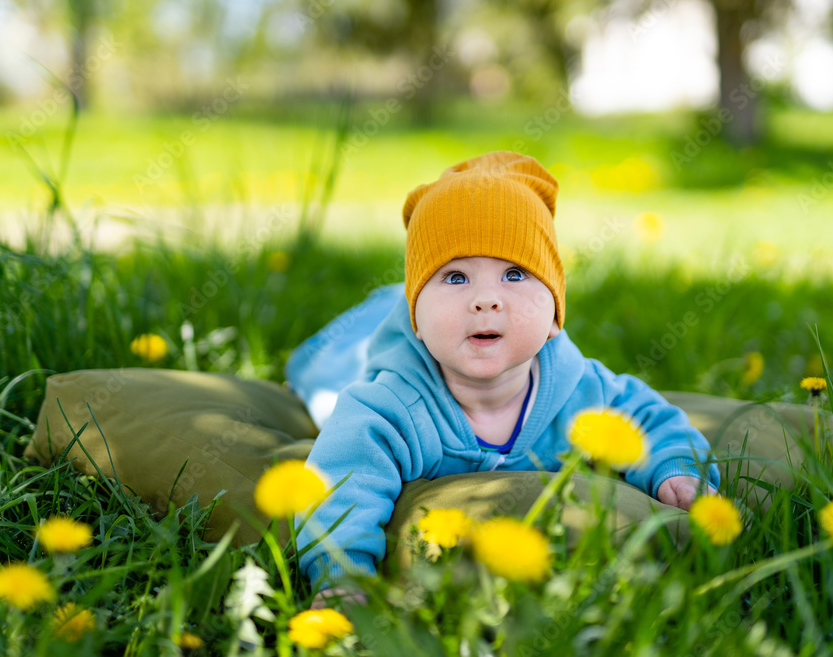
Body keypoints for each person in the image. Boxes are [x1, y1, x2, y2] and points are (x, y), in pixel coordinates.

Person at [294, 151, 719, 605]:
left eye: (514, 274)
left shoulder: (580, 390)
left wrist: (677, 469)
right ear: (415, 316)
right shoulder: (388, 407)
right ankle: (377, 310)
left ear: (556, 315)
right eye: (455, 277)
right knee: (323, 379)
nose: (485, 299)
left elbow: (649, 419)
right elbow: (340, 486)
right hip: (357, 355)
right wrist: (341, 577)